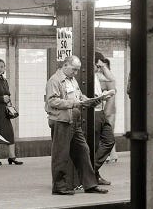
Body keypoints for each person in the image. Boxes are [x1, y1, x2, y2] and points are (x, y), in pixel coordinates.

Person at [45, 55, 108, 195]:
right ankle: (59, 187)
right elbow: (52, 101)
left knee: (83, 151)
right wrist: (73, 103)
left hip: (73, 121)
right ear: (65, 65)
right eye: (74, 70)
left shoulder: (72, 80)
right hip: (61, 121)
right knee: (60, 155)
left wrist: (93, 100)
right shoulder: (54, 80)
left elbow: (79, 97)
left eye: (77, 70)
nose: (76, 73)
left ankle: (90, 184)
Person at [0, 59, 22, 165]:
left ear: (4, 68)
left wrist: (9, 104)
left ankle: (12, 156)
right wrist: (1, 99)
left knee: (9, 133)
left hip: (4, 111)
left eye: (2, 67)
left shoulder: (4, 80)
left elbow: (8, 94)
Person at [91, 51, 116, 184]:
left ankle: (92, 170)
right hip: (93, 113)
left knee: (109, 140)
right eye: (98, 66)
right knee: (94, 145)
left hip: (100, 112)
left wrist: (102, 65)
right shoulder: (86, 74)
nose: (100, 69)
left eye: (101, 67)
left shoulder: (96, 74)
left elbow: (112, 79)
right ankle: (93, 174)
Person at [98, 58, 118, 163]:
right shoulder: (102, 77)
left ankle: (111, 154)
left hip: (108, 109)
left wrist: (107, 111)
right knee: (108, 133)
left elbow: (112, 95)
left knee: (108, 132)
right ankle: (112, 154)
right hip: (107, 109)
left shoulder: (107, 79)